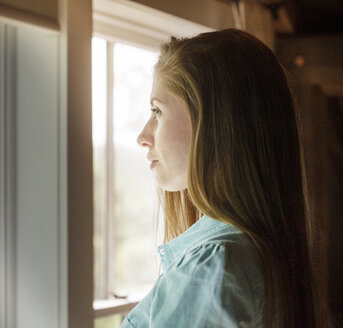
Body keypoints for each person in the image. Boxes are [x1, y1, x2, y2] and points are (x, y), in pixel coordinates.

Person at [122, 29, 332, 328]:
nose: (143, 136)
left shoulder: (213, 262)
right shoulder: (257, 254)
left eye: (157, 110)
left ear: (213, 123)